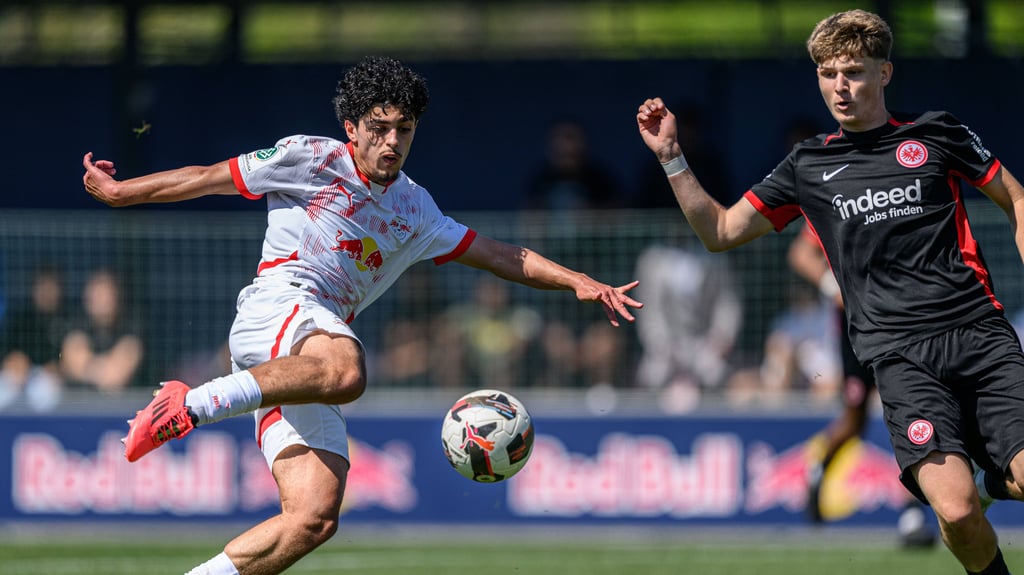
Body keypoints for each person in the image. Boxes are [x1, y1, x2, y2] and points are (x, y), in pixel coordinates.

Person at [82, 56, 642, 575]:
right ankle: (189, 406)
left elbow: (499, 255)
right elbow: (208, 177)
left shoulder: (415, 209)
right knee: (347, 370)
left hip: (301, 355)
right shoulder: (310, 157)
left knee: (314, 517)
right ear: (352, 127)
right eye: (379, 127)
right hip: (278, 306)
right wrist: (122, 192)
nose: (392, 140)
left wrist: (578, 281)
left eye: (404, 129)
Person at [637, 9, 1023, 575]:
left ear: (884, 73)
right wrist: (672, 158)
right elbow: (719, 231)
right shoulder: (807, 165)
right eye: (828, 74)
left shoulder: (936, 133)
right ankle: (981, 489)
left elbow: (1016, 197)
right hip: (899, 357)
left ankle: (990, 480)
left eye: (854, 72)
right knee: (959, 513)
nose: (840, 86)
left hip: (979, 335)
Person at [789, 225, 935, 547]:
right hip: (855, 332)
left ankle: (911, 515)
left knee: (906, 414)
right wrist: (832, 285)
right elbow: (800, 253)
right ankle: (817, 471)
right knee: (854, 423)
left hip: (898, 325)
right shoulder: (834, 204)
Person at [633, 244, 741, 411]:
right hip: (664, 347)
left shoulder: (715, 259)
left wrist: (719, 343)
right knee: (653, 376)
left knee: (717, 376)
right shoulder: (653, 260)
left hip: (704, 344)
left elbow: (726, 305)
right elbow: (649, 310)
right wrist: (662, 346)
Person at [60, 268, 144, 394]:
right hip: (80, 400)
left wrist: (89, 366)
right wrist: (105, 369)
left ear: (116, 298)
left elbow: (118, 375)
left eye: (107, 295)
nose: (103, 301)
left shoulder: (130, 326)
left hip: (123, 401)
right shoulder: (77, 325)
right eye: (98, 295)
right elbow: (74, 364)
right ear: (88, 298)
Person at [0, 264, 69, 412]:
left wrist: (58, 365)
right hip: (21, 376)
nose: (46, 292)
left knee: (44, 391)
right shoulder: (21, 318)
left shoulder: (67, 318)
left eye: (51, 287)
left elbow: (69, 356)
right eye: (42, 286)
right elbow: (7, 350)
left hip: (50, 379)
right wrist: (13, 361)